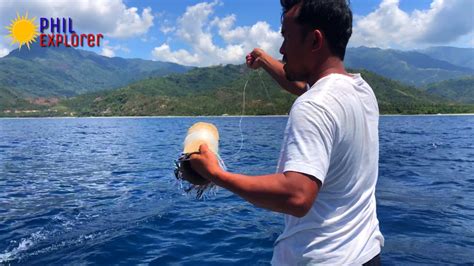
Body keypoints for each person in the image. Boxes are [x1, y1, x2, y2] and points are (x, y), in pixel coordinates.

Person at [187, 0, 384, 264]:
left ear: (315, 40)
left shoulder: (314, 105)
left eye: (286, 38)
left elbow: (297, 195)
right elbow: (303, 86)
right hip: (366, 254)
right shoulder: (361, 91)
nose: (281, 49)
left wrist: (216, 174)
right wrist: (264, 60)